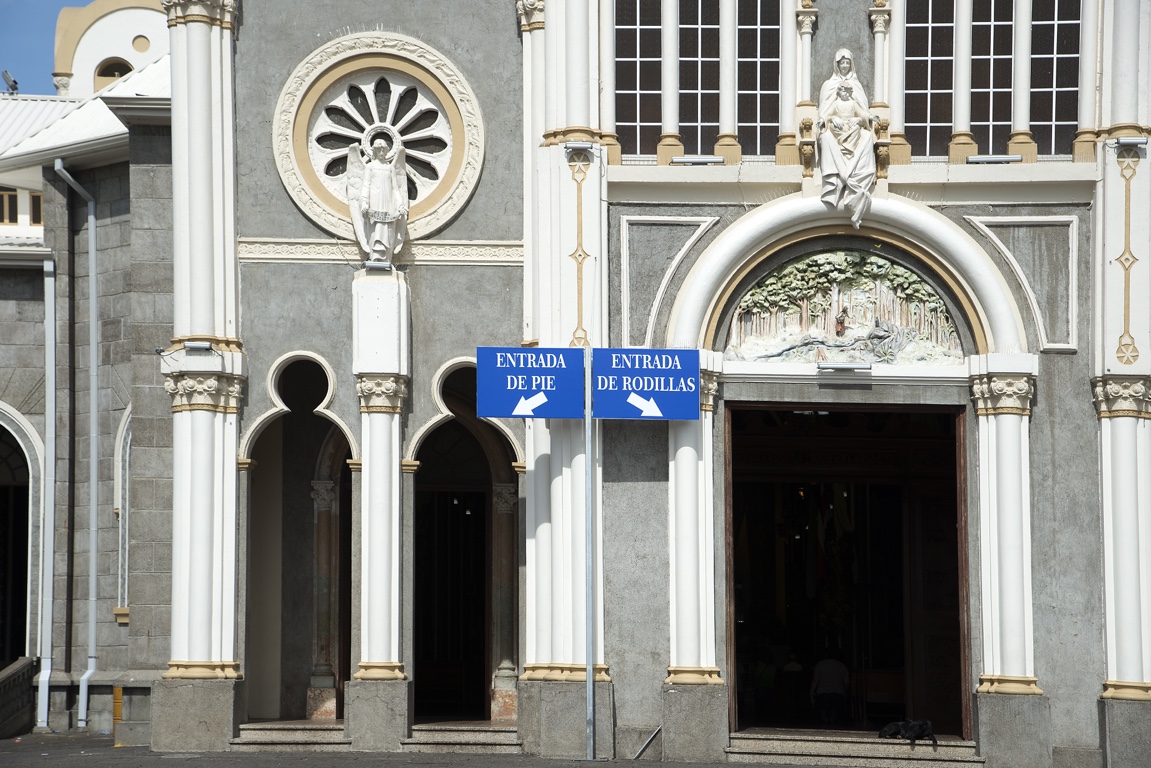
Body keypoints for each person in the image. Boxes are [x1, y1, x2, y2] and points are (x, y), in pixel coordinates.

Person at [816, 50, 877, 228]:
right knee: (827, 137)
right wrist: (827, 120)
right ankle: (840, 179)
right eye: (841, 63)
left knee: (866, 137)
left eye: (847, 63)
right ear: (836, 65)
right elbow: (825, 112)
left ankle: (855, 182)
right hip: (836, 131)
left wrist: (864, 119)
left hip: (853, 130)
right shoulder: (829, 86)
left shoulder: (855, 88)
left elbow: (862, 110)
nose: (844, 66)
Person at [347, 137, 409, 267]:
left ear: (386, 151)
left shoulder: (390, 168)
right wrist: (364, 203)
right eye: (378, 150)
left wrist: (400, 205)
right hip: (374, 204)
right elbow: (365, 186)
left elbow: (395, 189)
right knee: (375, 231)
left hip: (388, 205)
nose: (381, 152)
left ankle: (387, 260)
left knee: (388, 231)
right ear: (374, 151)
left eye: (383, 150)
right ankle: (375, 258)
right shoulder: (370, 167)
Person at [809, 647, 850, 727]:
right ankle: (832, 721)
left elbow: (815, 680)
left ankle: (825, 721)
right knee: (835, 711)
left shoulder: (820, 665)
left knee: (822, 710)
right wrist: (844, 692)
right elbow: (846, 682)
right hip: (838, 694)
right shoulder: (842, 666)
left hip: (822, 694)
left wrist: (811, 693)